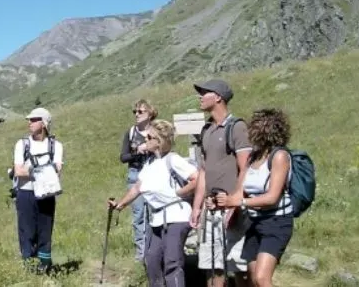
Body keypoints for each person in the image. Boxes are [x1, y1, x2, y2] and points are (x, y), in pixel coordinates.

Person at [108, 119, 198, 287]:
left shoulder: (173, 159)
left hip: (177, 216)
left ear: (159, 142)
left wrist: (179, 192)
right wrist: (120, 204)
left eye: (149, 137)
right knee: (152, 260)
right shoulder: (149, 164)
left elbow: (196, 178)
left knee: (172, 261)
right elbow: (137, 188)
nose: (145, 141)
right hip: (157, 219)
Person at [214, 108, 294, 287]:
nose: (250, 130)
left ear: (268, 130)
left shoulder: (280, 156)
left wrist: (239, 202)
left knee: (262, 279)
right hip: (255, 222)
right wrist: (221, 201)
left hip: (277, 222)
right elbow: (239, 191)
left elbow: (272, 197)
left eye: (255, 126)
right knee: (250, 277)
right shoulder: (252, 157)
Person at [189, 79, 253, 287]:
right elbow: (204, 171)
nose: (200, 97)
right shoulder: (206, 130)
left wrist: (235, 203)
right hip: (211, 208)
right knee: (212, 266)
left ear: (218, 97)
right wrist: (196, 207)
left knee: (238, 267)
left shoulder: (237, 127)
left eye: (204, 93)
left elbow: (246, 168)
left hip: (232, 208)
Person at [11, 107, 64, 274]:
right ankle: (29, 266)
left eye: (34, 120)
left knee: (45, 229)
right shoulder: (22, 144)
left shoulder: (56, 145)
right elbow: (18, 171)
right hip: (25, 192)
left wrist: (32, 170)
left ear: (45, 123)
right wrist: (43, 170)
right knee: (26, 230)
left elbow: (57, 170)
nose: (30, 122)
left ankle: (45, 266)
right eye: (29, 120)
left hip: (47, 193)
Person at [120, 99, 157, 262]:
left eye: (140, 111)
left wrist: (150, 147)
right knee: (138, 214)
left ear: (149, 113)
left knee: (154, 213)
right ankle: (141, 252)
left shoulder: (157, 131)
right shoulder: (130, 132)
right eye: (135, 111)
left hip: (154, 174)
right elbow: (123, 157)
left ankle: (153, 248)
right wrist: (138, 152)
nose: (136, 114)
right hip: (135, 174)